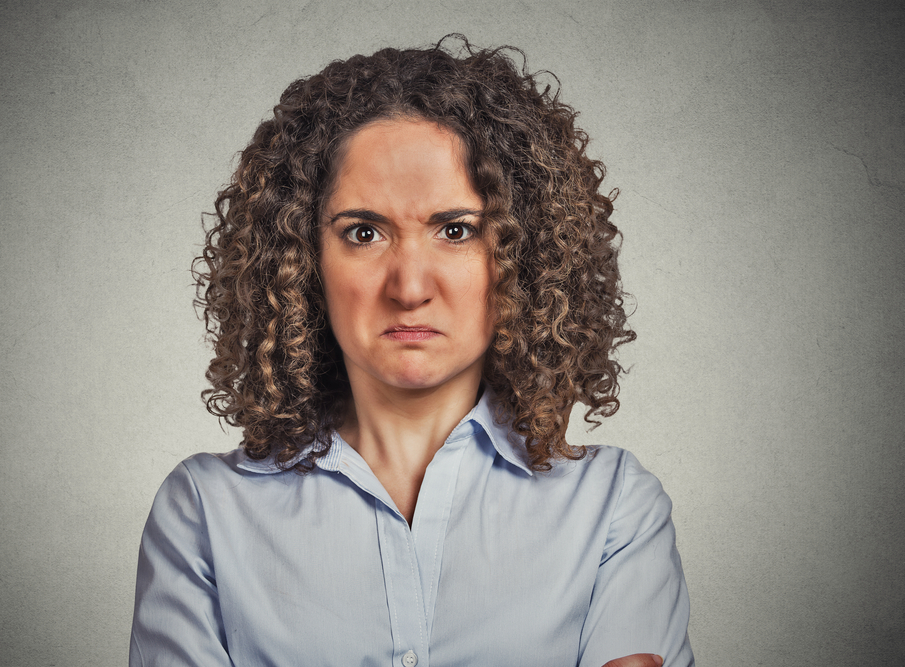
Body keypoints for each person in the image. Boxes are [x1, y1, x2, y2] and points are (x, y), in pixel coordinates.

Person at [130, 36, 694, 667]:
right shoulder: (203, 513)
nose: (409, 288)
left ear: (524, 256)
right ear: (300, 260)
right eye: (363, 233)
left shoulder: (613, 508)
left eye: (455, 230)